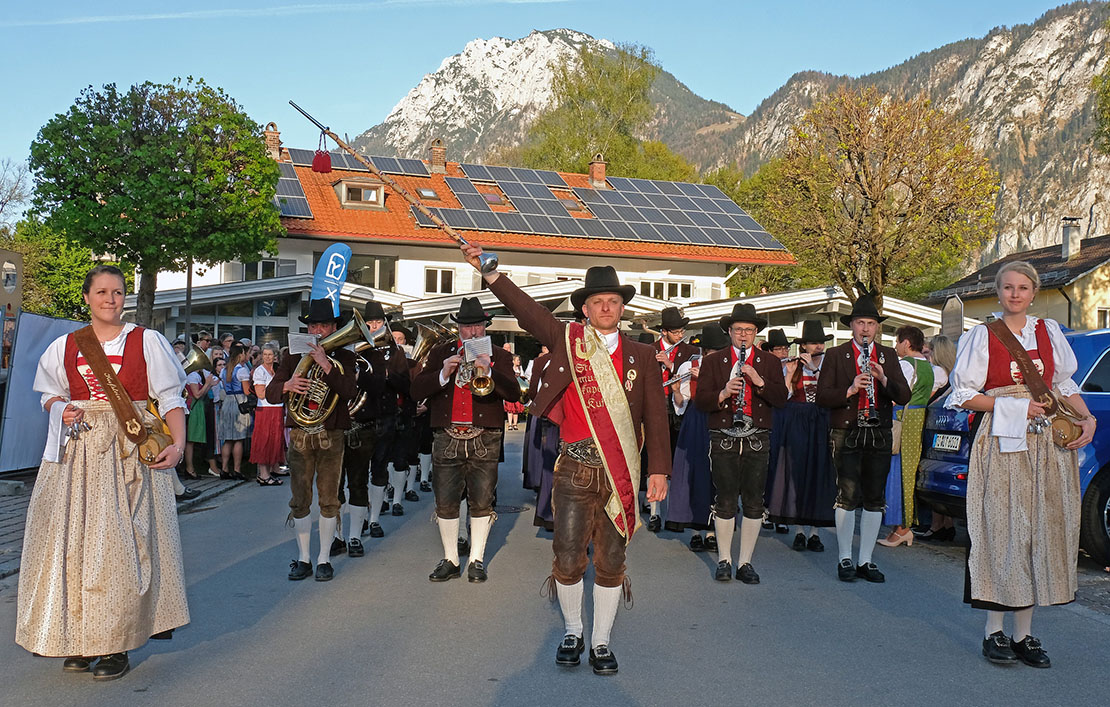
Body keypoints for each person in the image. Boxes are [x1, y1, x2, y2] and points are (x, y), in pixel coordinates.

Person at [464, 242, 670, 676]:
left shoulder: (643, 356)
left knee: (612, 560)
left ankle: (601, 642)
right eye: (598, 302)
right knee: (568, 554)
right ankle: (574, 629)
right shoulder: (568, 341)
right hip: (575, 468)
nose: (606, 308)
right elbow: (528, 311)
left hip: (622, 474)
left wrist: (659, 470)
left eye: (613, 301)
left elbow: (657, 416)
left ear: (622, 307)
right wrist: (490, 273)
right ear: (586, 308)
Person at [18, 265, 189, 680]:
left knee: (122, 545)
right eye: (102, 292)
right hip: (78, 454)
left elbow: (170, 398)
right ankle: (79, 639)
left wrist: (179, 446)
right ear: (88, 297)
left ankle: (116, 642)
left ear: (125, 298)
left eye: (117, 292)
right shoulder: (66, 345)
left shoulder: (148, 341)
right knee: (71, 542)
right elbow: (49, 395)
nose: (110, 299)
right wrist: (62, 408)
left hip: (128, 451)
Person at [946, 261, 1095, 667]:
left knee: (1039, 533)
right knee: (1003, 529)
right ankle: (993, 631)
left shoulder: (1048, 332)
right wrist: (1013, 404)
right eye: (1008, 287)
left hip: (1046, 445)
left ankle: (1024, 635)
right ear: (999, 292)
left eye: (1023, 287)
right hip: (1001, 443)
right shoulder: (982, 335)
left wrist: (1087, 418)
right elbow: (962, 395)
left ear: (1033, 292)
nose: (1015, 294)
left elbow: (1064, 385)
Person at [411, 297, 520, 584]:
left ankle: (477, 559)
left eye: (477, 326)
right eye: (467, 326)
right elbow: (416, 390)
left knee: (482, 499)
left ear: (486, 326)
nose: (472, 332)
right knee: (445, 500)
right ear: (458, 327)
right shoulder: (440, 352)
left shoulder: (500, 354)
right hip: (446, 433)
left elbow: (514, 394)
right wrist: (443, 373)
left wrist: (490, 370)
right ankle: (450, 558)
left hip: (485, 434)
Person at [816, 290, 911, 583]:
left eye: (870, 323)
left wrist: (883, 379)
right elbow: (821, 397)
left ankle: (866, 560)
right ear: (852, 325)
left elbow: (904, 395)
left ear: (877, 327)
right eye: (860, 323)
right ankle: (845, 557)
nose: (865, 329)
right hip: (847, 430)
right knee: (847, 495)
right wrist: (850, 389)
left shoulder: (888, 355)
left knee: (874, 497)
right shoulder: (835, 355)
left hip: (878, 431)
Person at [265, 298, 358, 582]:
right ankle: (304, 557)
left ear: (333, 328)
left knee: (330, 499)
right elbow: (270, 394)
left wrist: (325, 365)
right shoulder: (292, 355)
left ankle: (324, 559)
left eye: (324, 325)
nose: (318, 330)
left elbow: (349, 392)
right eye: (313, 325)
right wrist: (288, 385)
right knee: (300, 499)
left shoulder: (344, 357)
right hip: (301, 434)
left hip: (331, 433)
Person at [695, 304, 788, 584]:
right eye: (738, 330)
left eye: (748, 330)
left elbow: (781, 399)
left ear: (756, 332)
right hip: (723, 434)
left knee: (754, 501)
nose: (743, 335)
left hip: (758, 435)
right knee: (724, 498)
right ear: (730, 332)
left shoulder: (770, 362)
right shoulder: (714, 361)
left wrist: (759, 381)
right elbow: (701, 402)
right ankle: (724, 558)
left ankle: (745, 561)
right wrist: (723, 393)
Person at [766, 320, 837, 552]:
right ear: (803, 346)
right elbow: (782, 397)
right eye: (811, 344)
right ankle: (798, 530)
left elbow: (832, 392)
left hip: (821, 421)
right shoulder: (793, 365)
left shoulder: (828, 365)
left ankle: (815, 532)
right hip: (796, 422)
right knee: (796, 474)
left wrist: (815, 370)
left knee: (819, 475)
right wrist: (789, 373)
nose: (816, 347)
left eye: (819, 343)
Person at [879, 325, 947, 546]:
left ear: (906, 343)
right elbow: (933, 390)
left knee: (896, 472)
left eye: (898, 341)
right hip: (918, 419)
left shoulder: (904, 366)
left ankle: (901, 527)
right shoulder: (933, 369)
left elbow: (897, 394)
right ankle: (902, 526)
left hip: (901, 419)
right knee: (908, 473)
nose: (896, 346)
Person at [667, 325, 729, 550]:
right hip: (695, 419)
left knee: (716, 474)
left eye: (717, 351)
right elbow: (681, 404)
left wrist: (704, 379)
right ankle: (695, 529)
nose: (713, 355)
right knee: (693, 473)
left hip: (719, 417)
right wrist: (675, 390)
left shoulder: (728, 366)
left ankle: (712, 531)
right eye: (710, 351)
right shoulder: (687, 365)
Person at [650, 306, 698, 531]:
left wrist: (671, 366)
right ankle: (654, 512)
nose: (680, 335)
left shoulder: (688, 352)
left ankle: (676, 510)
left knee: (677, 461)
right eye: (676, 332)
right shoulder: (649, 350)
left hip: (679, 407)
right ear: (664, 331)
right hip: (655, 407)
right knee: (657, 459)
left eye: (682, 331)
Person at [917, 334, 958, 541]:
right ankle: (946, 524)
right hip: (950, 425)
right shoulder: (955, 373)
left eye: (930, 351)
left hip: (932, 423)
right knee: (942, 471)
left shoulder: (937, 372)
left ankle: (935, 525)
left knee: (932, 473)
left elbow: (925, 397)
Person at [759, 328, 793, 535]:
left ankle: (782, 513)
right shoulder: (764, 368)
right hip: (769, 418)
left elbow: (789, 395)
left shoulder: (793, 367)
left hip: (788, 420)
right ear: (770, 351)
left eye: (785, 349)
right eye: (778, 349)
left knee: (784, 466)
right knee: (766, 466)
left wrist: (790, 374)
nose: (783, 353)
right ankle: (764, 509)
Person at [249, 343, 285, 485]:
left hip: (277, 408)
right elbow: (261, 394)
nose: (267, 357)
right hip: (266, 409)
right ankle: (263, 475)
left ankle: (268, 473)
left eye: (270, 354)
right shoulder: (260, 371)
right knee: (264, 441)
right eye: (265, 354)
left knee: (274, 442)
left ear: (275, 356)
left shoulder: (276, 370)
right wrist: (280, 390)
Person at [217, 343, 251, 480]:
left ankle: (224, 469)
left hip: (227, 402)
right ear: (240, 354)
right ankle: (237, 469)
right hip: (239, 402)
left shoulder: (224, 370)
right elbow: (247, 390)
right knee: (238, 439)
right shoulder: (242, 370)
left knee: (228, 439)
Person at [504, 354, 526, 431]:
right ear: (513, 361)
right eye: (517, 360)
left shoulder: (520, 368)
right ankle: (510, 424)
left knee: (516, 408)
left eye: (519, 360)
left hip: (518, 389)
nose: (519, 361)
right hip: (511, 389)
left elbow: (523, 376)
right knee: (510, 408)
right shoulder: (510, 369)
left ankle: (515, 424)